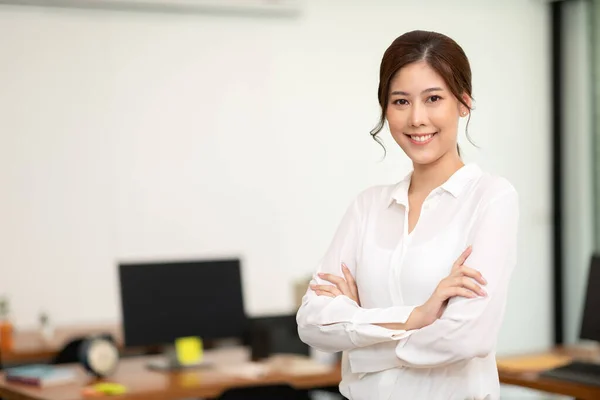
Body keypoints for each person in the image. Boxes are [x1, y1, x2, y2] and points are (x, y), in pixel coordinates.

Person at [296, 30, 519, 400]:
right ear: (386, 108)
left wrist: (360, 346)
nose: (417, 118)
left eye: (433, 98)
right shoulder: (367, 206)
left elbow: (467, 337)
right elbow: (311, 322)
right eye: (401, 101)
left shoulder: (491, 198)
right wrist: (417, 317)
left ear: (463, 103)